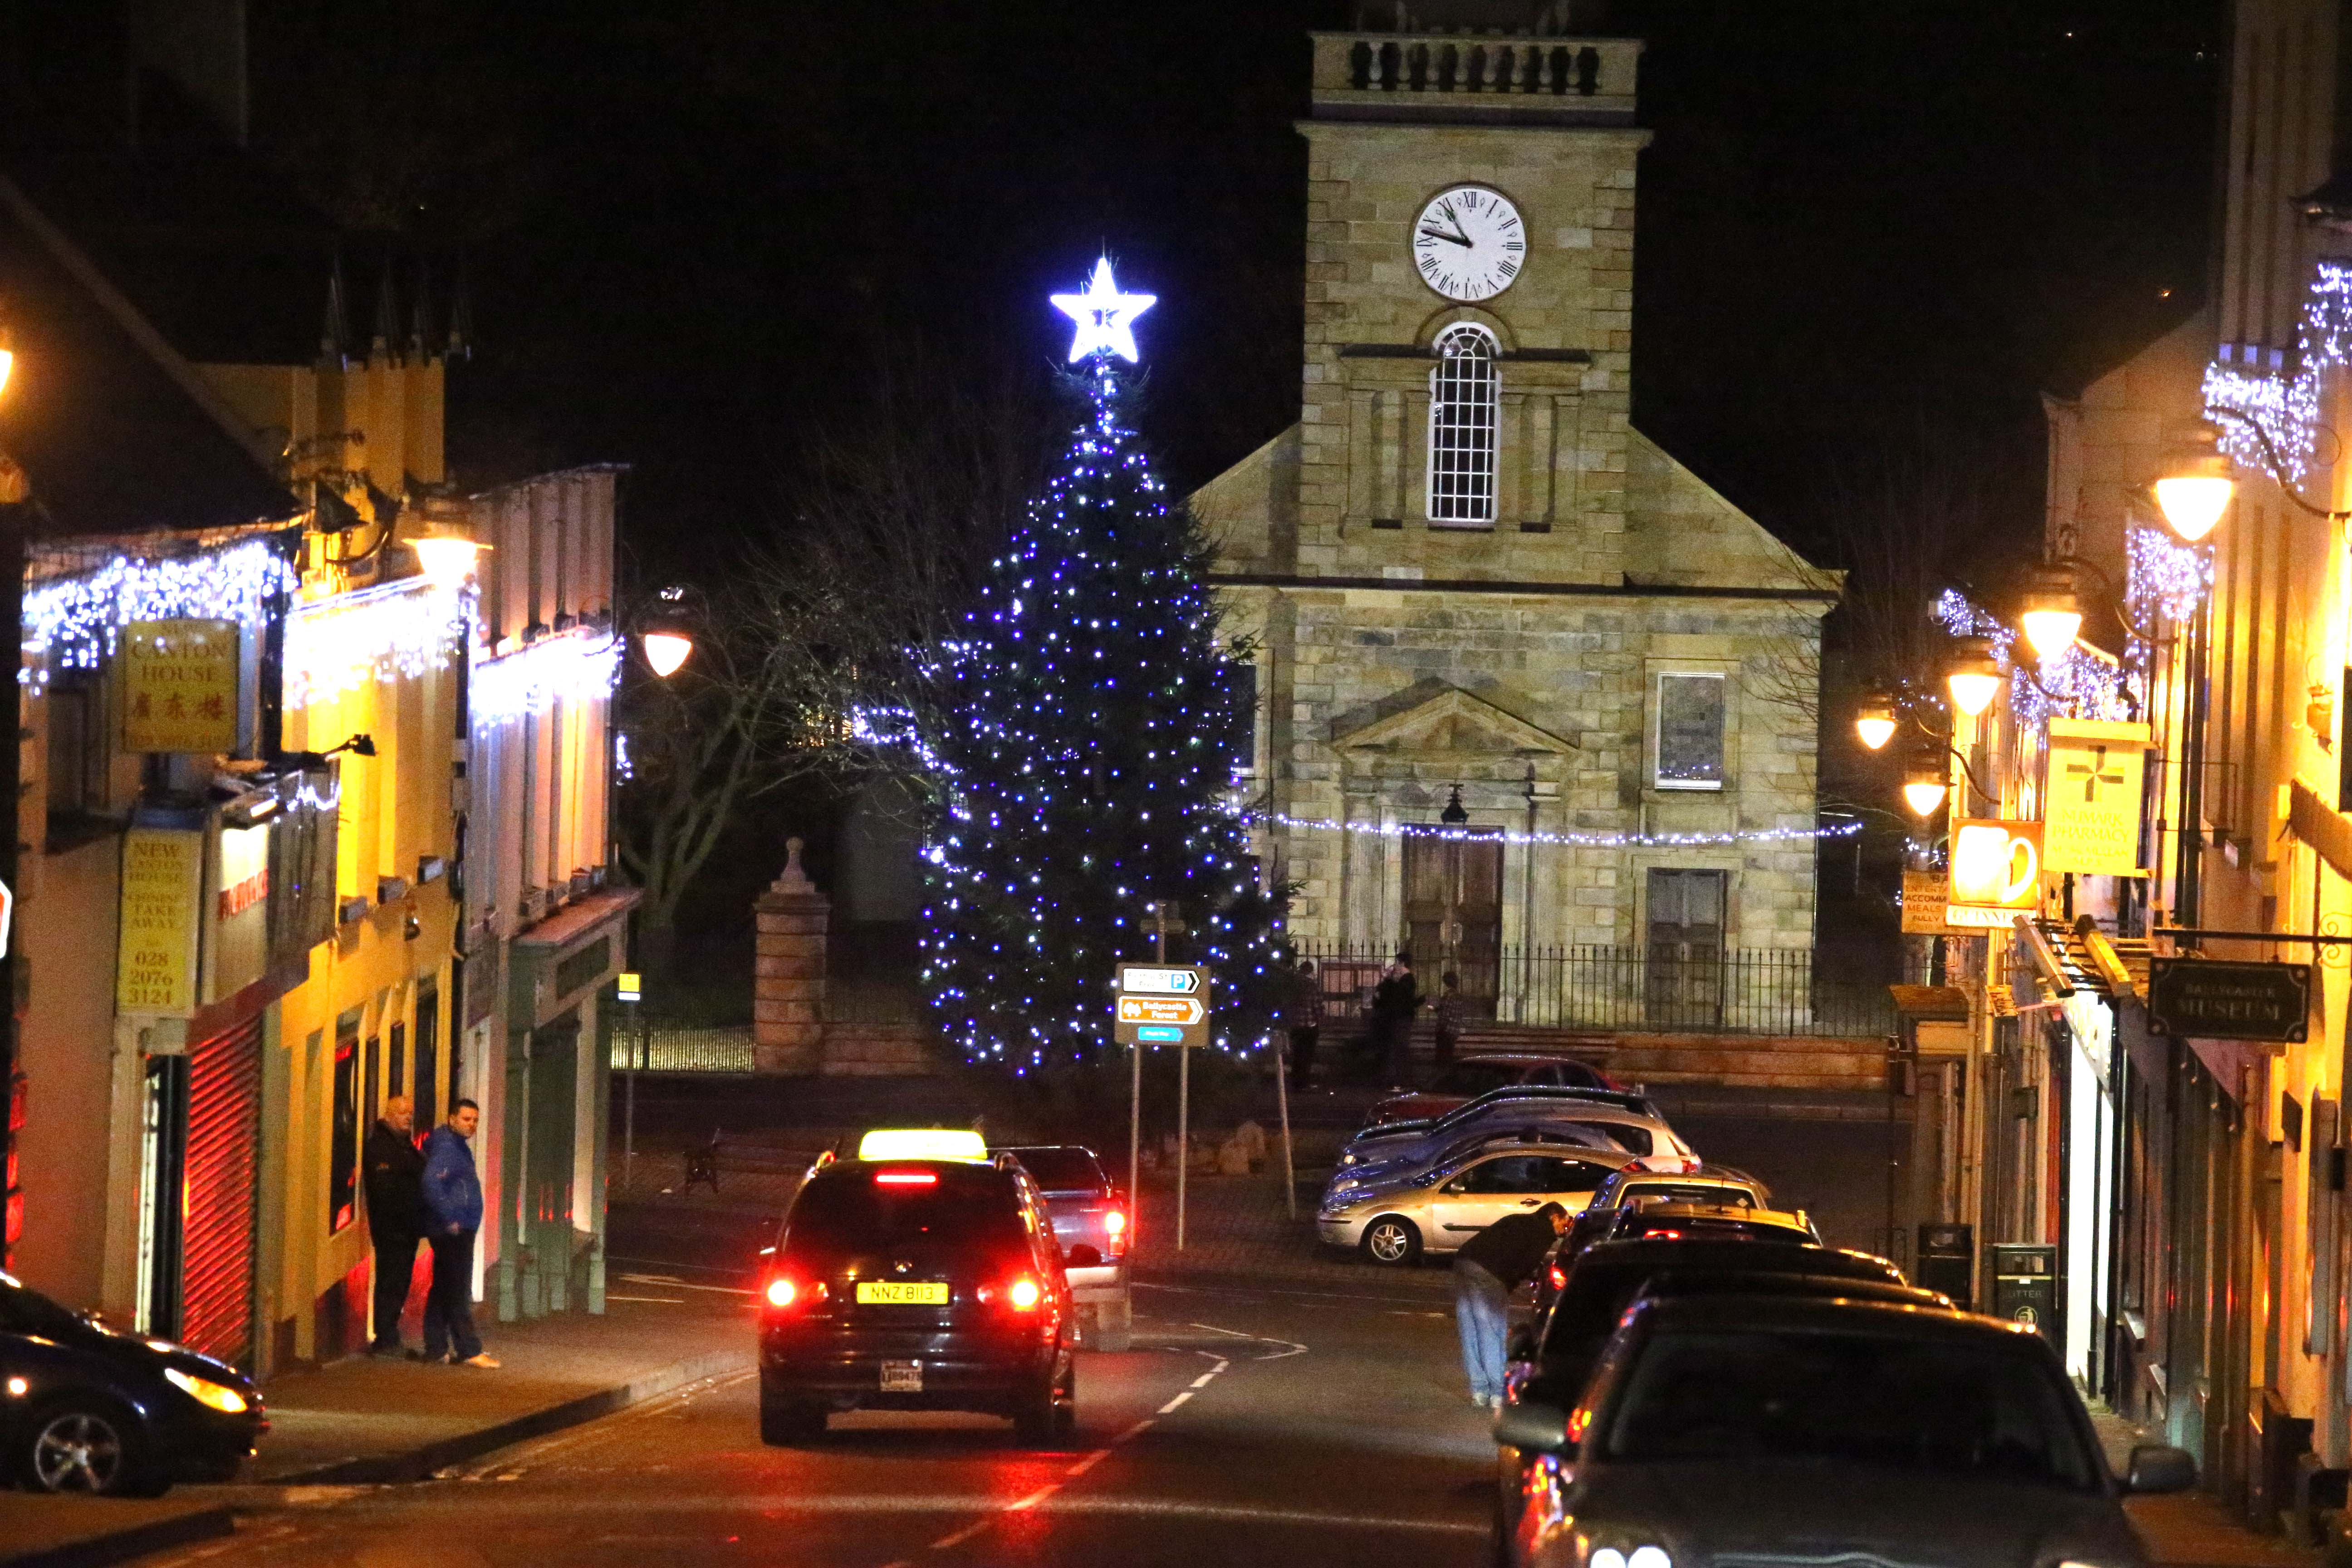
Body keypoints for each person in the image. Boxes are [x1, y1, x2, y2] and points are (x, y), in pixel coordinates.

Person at [1453, 1201, 1570, 1411]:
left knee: (1470, 1330)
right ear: (1553, 1216)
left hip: (1464, 1262)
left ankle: (1479, 1391)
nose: (1565, 1227)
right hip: (1490, 1274)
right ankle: (1497, 1392)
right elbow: (1525, 1265)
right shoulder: (1542, 1233)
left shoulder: (1519, 1219)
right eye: (1564, 1221)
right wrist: (1509, 1285)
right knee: (1492, 1332)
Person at [422, 1099, 496, 1368]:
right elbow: (432, 1183)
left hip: (455, 1228)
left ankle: (436, 1348)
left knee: (443, 1287)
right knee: (457, 1289)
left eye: (476, 1120)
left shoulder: (455, 1146)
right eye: (467, 1119)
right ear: (452, 1118)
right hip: (454, 1230)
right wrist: (451, 1217)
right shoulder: (447, 1148)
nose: (472, 1125)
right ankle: (468, 1350)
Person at [362, 1095, 426, 1358]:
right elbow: (385, 1191)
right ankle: (384, 1337)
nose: (408, 1117)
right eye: (402, 1113)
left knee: (399, 1282)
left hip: (406, 1228)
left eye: (411, 1113)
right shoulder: (381, 1147)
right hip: (393, 1229)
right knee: (391, 1281)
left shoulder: (403, 1145)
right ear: (389, 1114)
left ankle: (389, 1335)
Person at [1369, 953, 1420, 1085]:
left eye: (1397, 963)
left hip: (1400, 1020)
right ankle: (1396, 1081)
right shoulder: (1402, 981)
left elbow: (1399, 999)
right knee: (1395, 1051)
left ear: (1402, 963)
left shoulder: (1407, 981)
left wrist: (1388, 981)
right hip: (1395, 1020)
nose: (1395, 966)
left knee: (1399, 1051)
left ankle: (1400, 1082)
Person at [1288, 959, 1323, 1092]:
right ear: (1311, 972)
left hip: (1296, 1025)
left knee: (1297, 1054)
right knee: (1307, 1055)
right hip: (1309, 1025)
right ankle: (1304, 1083)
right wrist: (1320, 1019)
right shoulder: (1312, 986)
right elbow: (1317, 1006)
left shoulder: (1293, 985)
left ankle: (1295, 1082)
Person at [1433, 971, 1465, 1071]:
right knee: (1449, 1055)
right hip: (1454, 1029)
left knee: (1442, 1057)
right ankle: (1449, 1075)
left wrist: (1439, 1028)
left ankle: (1441, 1077)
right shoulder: (1459, 996)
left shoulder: (1448, 995)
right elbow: (1459, 1013)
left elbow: (1445, 1014)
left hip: (1445, 1030)